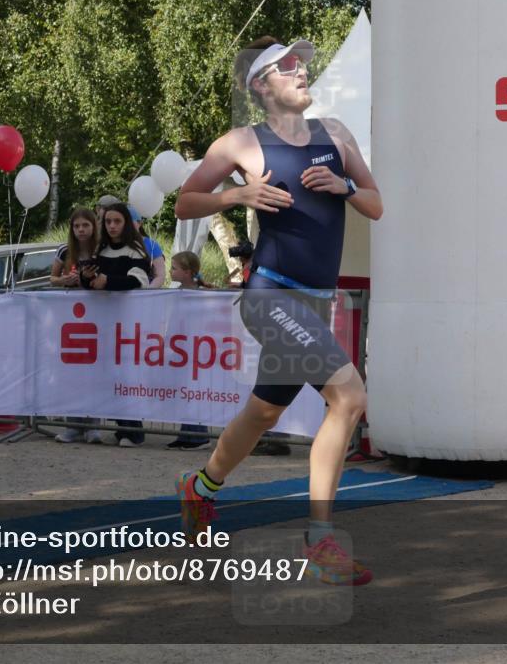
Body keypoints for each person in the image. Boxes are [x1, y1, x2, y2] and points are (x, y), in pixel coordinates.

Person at [173, 36, 383, 585]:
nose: (301, 72)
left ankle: (200, 488)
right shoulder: (241, 142)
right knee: (350, 396)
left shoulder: (335, 134)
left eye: (302, 65)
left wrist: (343, 186)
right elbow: (185, 201)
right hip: (270, 295)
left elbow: (375, 203)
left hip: (315, 302)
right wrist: (236, 197)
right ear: (261, 86)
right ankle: (321, 542)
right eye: (288, 67)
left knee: (264, 413)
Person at [83, 203, 151, 447]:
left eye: (117, 221)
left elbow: (138, 281)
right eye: (108, 221)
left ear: (125, 223)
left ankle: (134, 431)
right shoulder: (100, 249)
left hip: (128, 321)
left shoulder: (136, 250)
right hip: (103, 321)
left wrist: (107, 280)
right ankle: (122, 427)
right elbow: (91, 280)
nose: (112, 226)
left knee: (126, 376)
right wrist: (87, 277)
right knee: (109, 375)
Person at [50, 207, 108, 444]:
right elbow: (51, 278)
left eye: (85, 225)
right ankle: (73, 425)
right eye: (76, 226)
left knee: (94, 373)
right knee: (71, 374)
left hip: (97, 316)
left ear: (93, 226)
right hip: (69, 318)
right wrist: (64, 280)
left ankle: (93, 425)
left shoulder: (101, 250)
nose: (81, 230)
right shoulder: (65, 251)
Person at [165, 251, 213, 450]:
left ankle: (198, 435)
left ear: (187, 272)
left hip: (196, 349)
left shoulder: (199, 295)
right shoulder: (178, 293)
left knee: (195, 392)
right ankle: (187, 433)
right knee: (185, 392)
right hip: (182, 348)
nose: (171, 271)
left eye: (174, 268)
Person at [127, 204, 167, 289]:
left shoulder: (151, 245)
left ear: (139, 223)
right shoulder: (114, 244)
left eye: (130, 222)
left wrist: (147, 292)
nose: (126, 226)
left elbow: (160, 276)